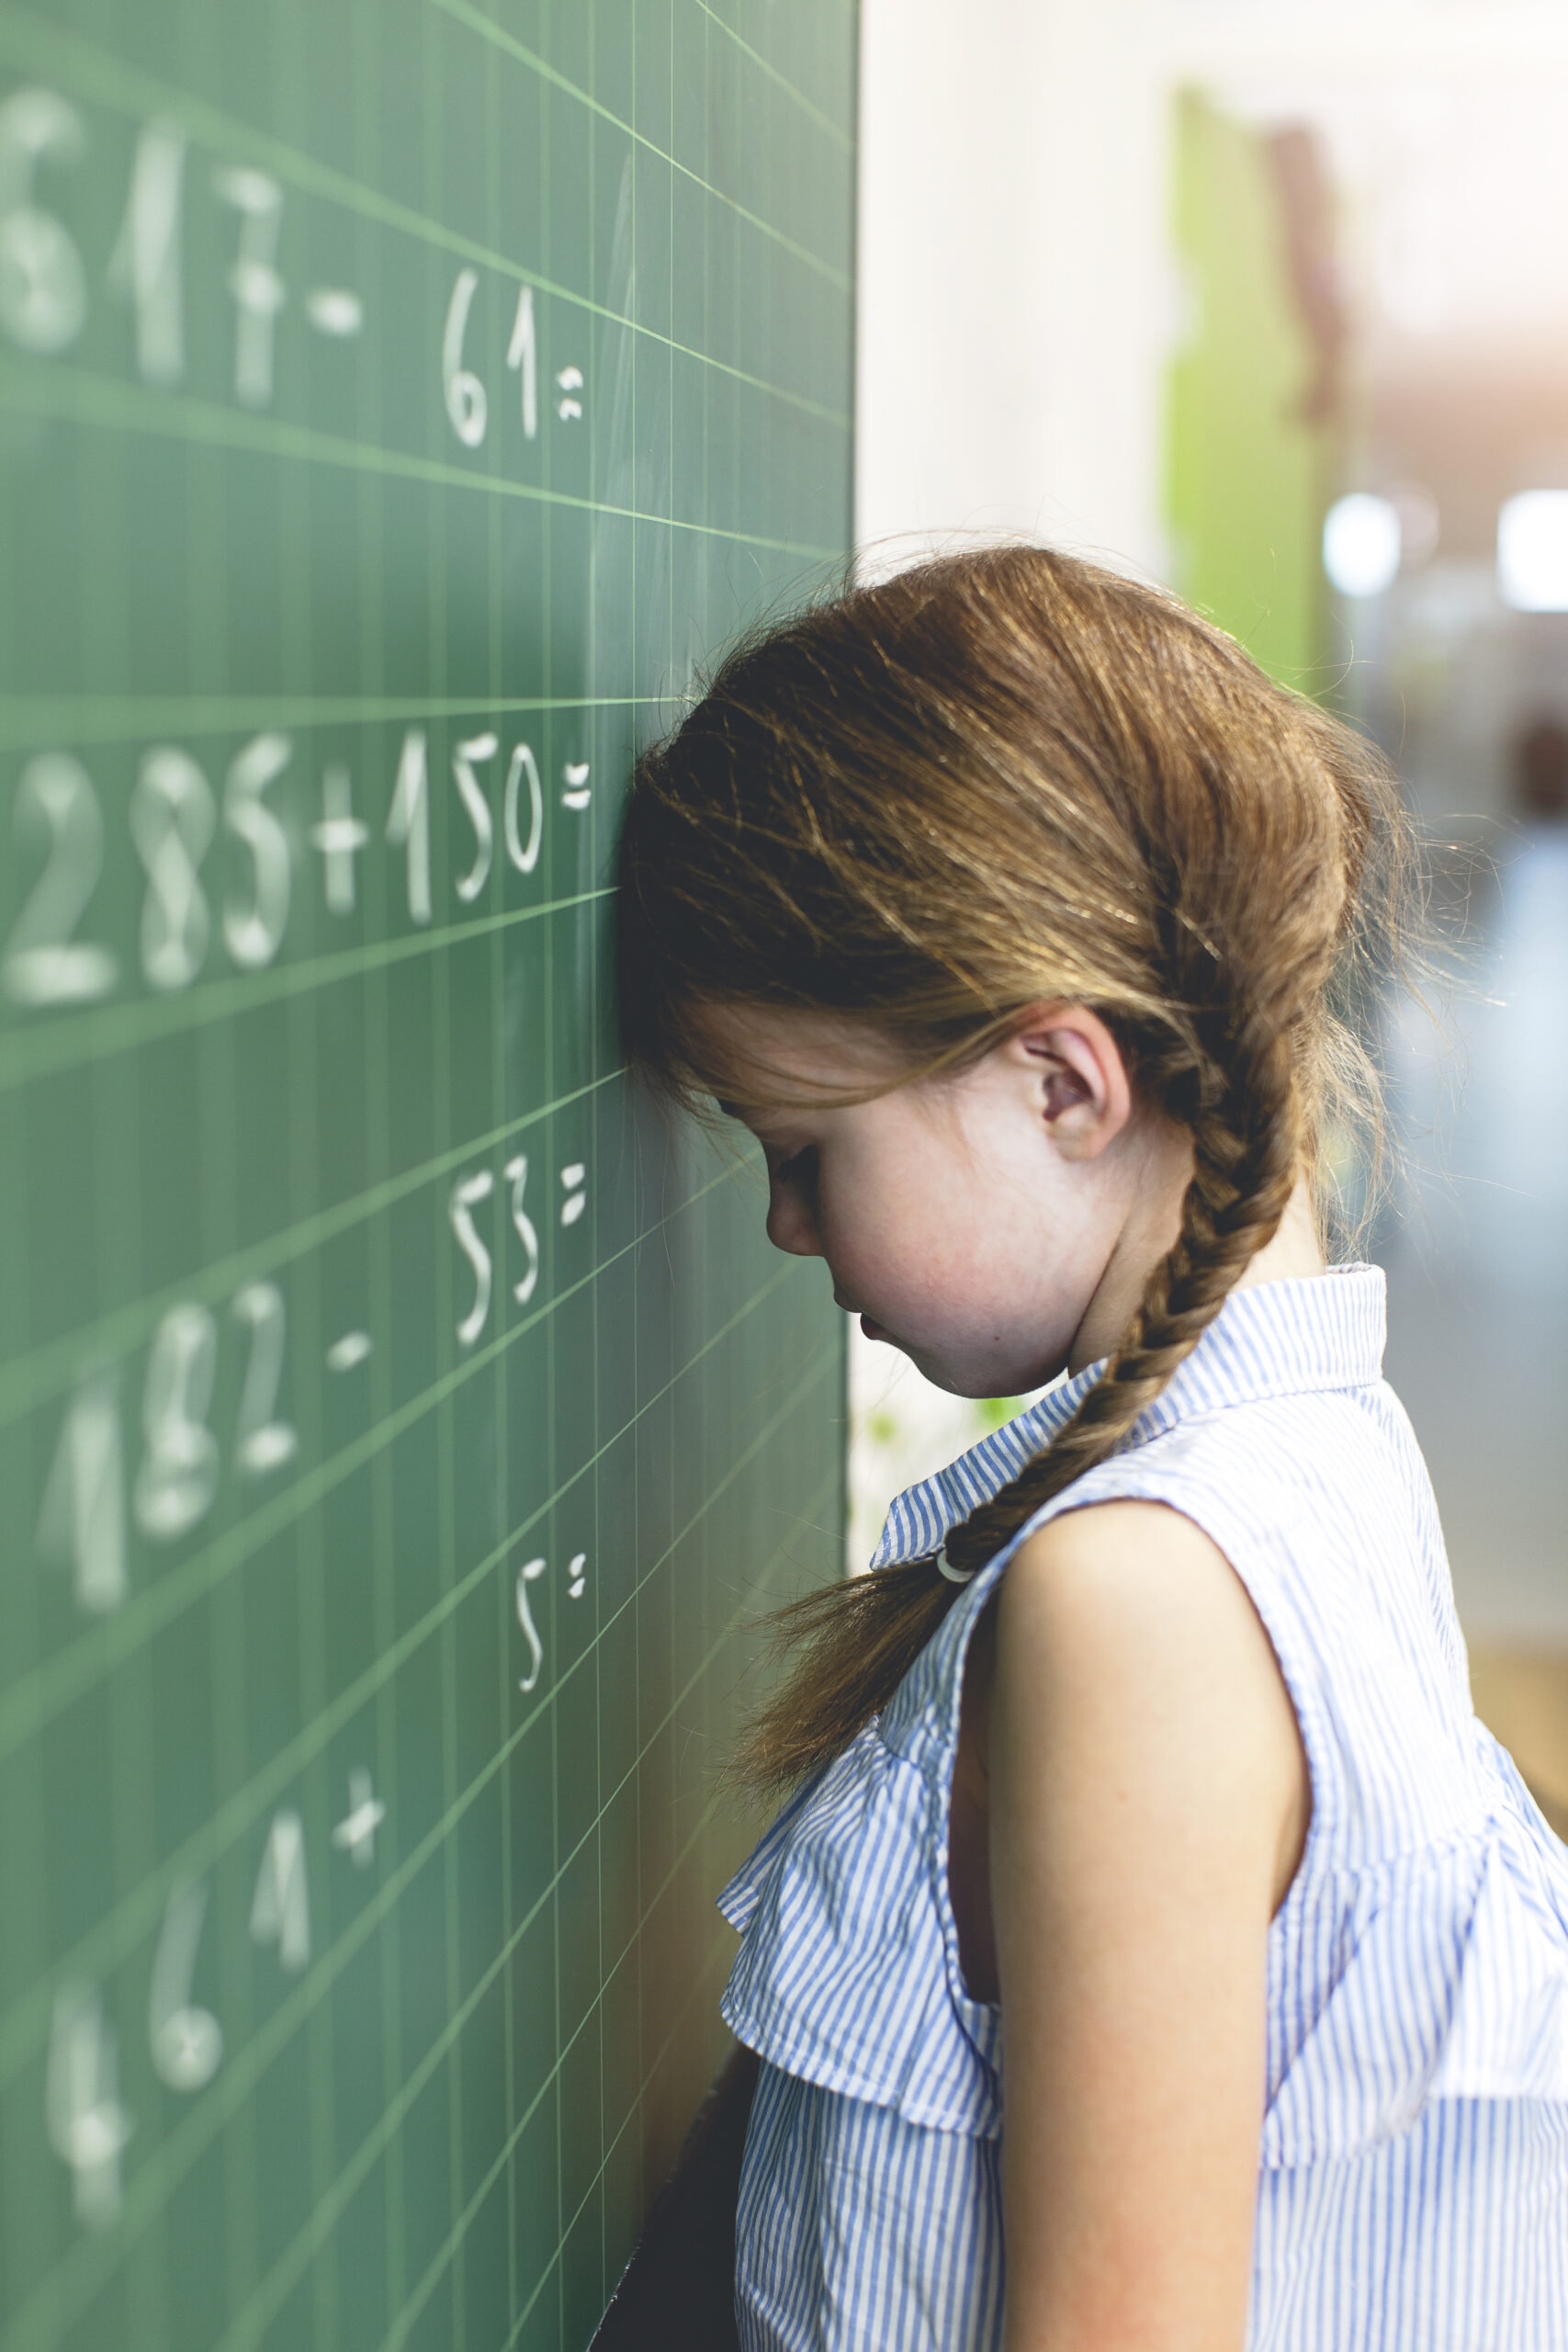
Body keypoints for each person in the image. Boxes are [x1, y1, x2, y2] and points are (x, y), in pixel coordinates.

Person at [615, 547, 1568, 2351]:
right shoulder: (1310, 1440)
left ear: (1061, 1084)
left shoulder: (1133, 1599)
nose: (784, 1229)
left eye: (804, 1147)